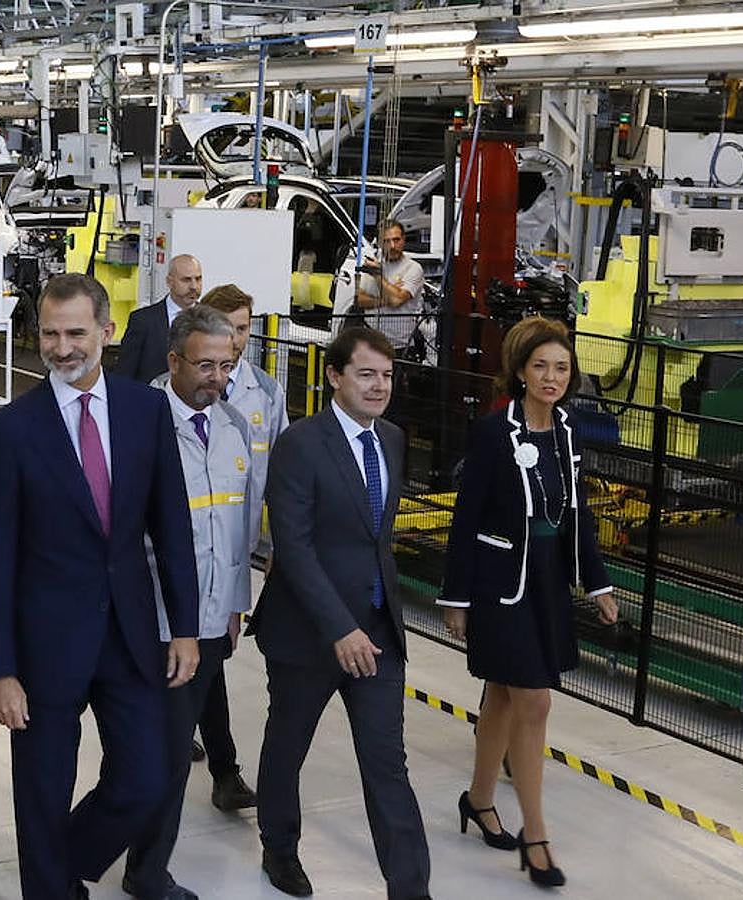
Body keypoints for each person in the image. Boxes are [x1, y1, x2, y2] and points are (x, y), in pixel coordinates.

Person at [0, 273, 202, 900]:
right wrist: (0, 668)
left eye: (76, 332)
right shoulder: (11, 431)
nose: (63, 347)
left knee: (146, 778)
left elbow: (172, 525)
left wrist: (184, 626)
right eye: (50, 333)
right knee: (42, 790)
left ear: (106, 331)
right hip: (44, 646)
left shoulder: (145, 411)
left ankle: (57, 863)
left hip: (128, 637)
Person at [438, 316, 619, 889]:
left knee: (503, 697)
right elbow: (466, 517)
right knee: (533, 699)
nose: (551, 377)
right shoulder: (494, 433)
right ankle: (536, 835)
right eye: (540, 366)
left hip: (547, 580)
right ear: (518, 371)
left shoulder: (568, 431)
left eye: (561, 367)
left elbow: (579, 516)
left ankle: (479, 798)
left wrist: (599, 582)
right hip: (499, 583)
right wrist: (456, 595)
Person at [251, 328, 430, 900]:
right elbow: (294, 546)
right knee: (288, 745)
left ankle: (410, 887)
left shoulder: (395, 440)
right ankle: (278, 847)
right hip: (308, 634)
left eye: (387, 375)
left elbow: (374, 539)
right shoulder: (301, 444)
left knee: (387, 764)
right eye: (366, 374)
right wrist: (339, 628)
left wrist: (366, 622)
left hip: (377, 631)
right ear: (334, 376)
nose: (380, 387)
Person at [122, 305, 259, 900]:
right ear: (172, 360)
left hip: (209, 621)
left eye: (226, 366)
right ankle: (141, 869)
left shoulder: (230, 424)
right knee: (158, 752)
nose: (217, 378)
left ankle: (143, 864)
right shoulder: (137, 427)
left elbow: (238, 529)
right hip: (150, 618)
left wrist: (234, 604)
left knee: (172, 753)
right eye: (204, 365)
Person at [186, 284, 285, 810]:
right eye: (227, 328)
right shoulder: (165, 398)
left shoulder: (265, 394)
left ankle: (213, 762)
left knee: (210, 660)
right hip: (182, 565)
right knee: (202, 664)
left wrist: (275, 544)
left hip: (233, 557)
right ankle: (222, 769)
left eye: (244, 329)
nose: (237, 340)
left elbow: (277, 475)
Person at [117, 254, 204, 382]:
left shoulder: (211, 320)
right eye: (186, 280)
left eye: (198, 279)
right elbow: (125, 374)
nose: (194, 286)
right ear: (169, 282)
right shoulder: (143, 321)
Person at [352, 220, 425, 350]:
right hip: (372, 343)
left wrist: (378, 277)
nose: (392, 245)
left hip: (399, 345)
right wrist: (388, 297)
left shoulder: (413, 268)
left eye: (396, 240)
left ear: (404, 239)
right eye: (387, 241)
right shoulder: (374, 262)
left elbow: (397, 300)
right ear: (380, 243)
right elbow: (360, 300)